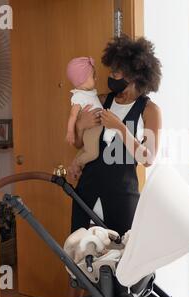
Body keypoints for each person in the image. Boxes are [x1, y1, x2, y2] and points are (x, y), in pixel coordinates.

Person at [68, 36, 162, 237]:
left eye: (116, 71)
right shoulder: (100, 100)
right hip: (86, 193)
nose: (111, 75)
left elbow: (148, 159)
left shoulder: (149, 110)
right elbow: (78, 144)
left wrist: (120, 128)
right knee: (80, 258)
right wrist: (81, 125)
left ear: (134, 74)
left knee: (121, 261)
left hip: (123, 198)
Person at [66, 57, 104, 171]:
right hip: (91, 128)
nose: (96, 79)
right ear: (82, 80)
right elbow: (72, 116)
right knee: (92, 153)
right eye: (93, 76)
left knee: (86, 149)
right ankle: (77, 163)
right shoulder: (78, 96)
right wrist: (70, 132)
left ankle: (74, 165)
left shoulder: (89, 93)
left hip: (98, 126)